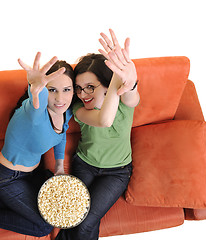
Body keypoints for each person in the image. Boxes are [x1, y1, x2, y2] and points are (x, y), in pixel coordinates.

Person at [0, 52, 75, 237]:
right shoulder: (33, 112)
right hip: (6, 178)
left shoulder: (65, 112)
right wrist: (35, 88)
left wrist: (59, 167)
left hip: (32, 174)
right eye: (52, 90)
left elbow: (61, 135)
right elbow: (36, 100)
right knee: (43, 227)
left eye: (67, 89)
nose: (60, 99)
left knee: (55, 211)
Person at [55, 29, 140, 240]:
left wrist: (129, 79)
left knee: (85, 223)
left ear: (108, 83)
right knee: (73, 217)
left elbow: (130, 94)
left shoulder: (125, 103)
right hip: (85, 164)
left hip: (116, 173)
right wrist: (115, 81)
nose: (82, 94)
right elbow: (104, 120)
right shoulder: (79, 109)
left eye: (90, 87)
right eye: (78, 88)